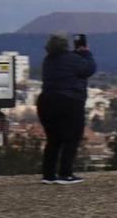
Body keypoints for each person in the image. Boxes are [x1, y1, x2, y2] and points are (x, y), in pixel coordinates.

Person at [38, 32, 96, 184]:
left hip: (46, 102)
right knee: (72, 137)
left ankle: (48, 175)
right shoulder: (73, 59)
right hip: (69, 102)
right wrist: (86, 53)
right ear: (66, 45)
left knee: (53, 139)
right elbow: (89, 69)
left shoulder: (47, 60)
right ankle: (65, 174)